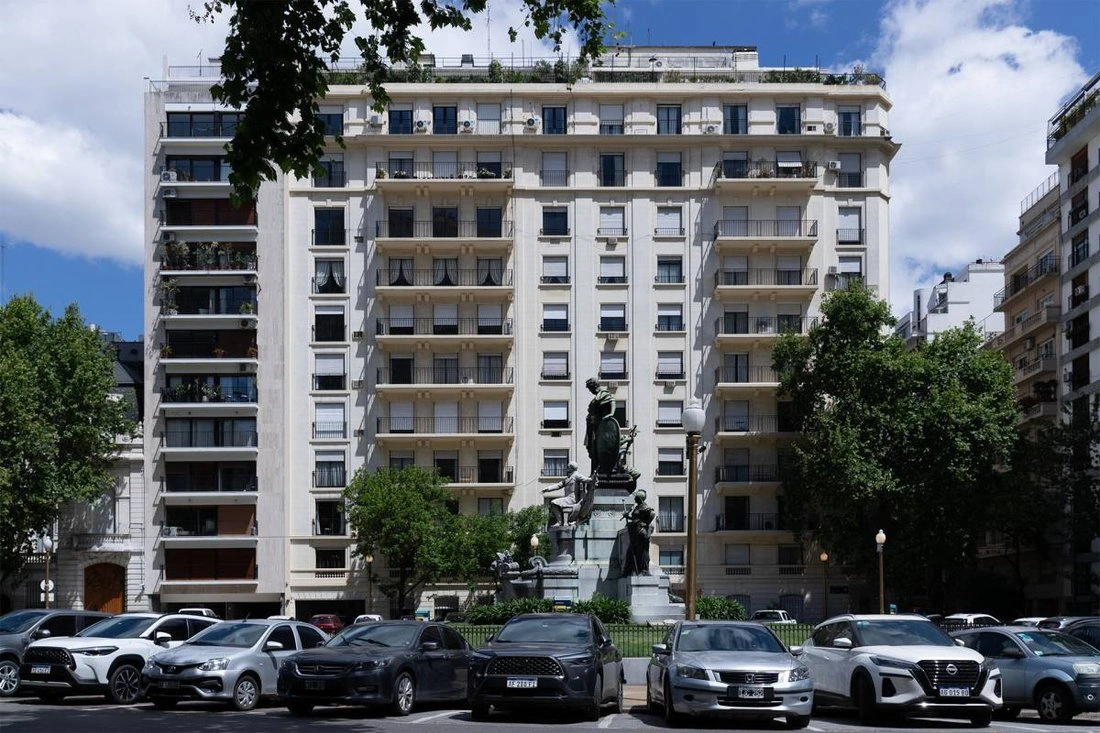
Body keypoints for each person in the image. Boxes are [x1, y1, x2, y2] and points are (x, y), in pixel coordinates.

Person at [542, 462, 592, 527]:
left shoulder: (576, 476)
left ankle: (559, 522)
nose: (567, 468)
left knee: (554, 502)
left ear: (572, 468)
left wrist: (592, 479)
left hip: (572, 499)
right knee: (554, 503)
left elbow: (586, 479)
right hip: (568, 498)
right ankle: (560, 521)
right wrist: (548, 488)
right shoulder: (568, 478)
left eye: (568, 467)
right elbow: (559, 485)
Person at [584, 377, 617, 474]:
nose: (590, 391)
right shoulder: (596, 398)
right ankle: (596, 469)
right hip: (593, 427)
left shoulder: (603, 394)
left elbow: (612, 401)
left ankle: (605, 467)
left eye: (590, 388)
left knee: (600, 447)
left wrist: (611, 413)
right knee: (593, 448)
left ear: (594, 386)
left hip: (600, 427)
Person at [622, 489, 656, 576]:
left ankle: (644, 570)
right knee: (633, 551)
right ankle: (632, 570)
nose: (634, 499)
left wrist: (645, 523)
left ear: (639, 498)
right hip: (635, 532)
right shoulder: (637, 507)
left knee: (642, 551)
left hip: (641, 532)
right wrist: (628, 517)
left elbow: (652, 513)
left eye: (636, 498)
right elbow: (635, 519)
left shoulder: (644, 507)